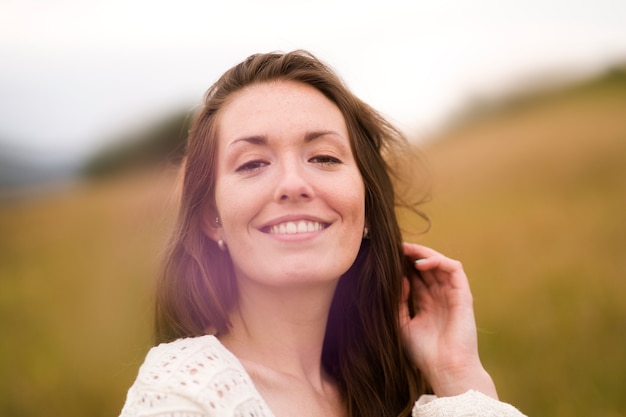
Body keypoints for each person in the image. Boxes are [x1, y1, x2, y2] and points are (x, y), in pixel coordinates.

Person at [118, 50, 526, 417]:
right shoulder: (187, 395)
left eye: (324, 157)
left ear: (366, 205)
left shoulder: (388, 394)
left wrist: (457, 373)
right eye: (253, 163)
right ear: (212, 218)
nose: (293, 184)